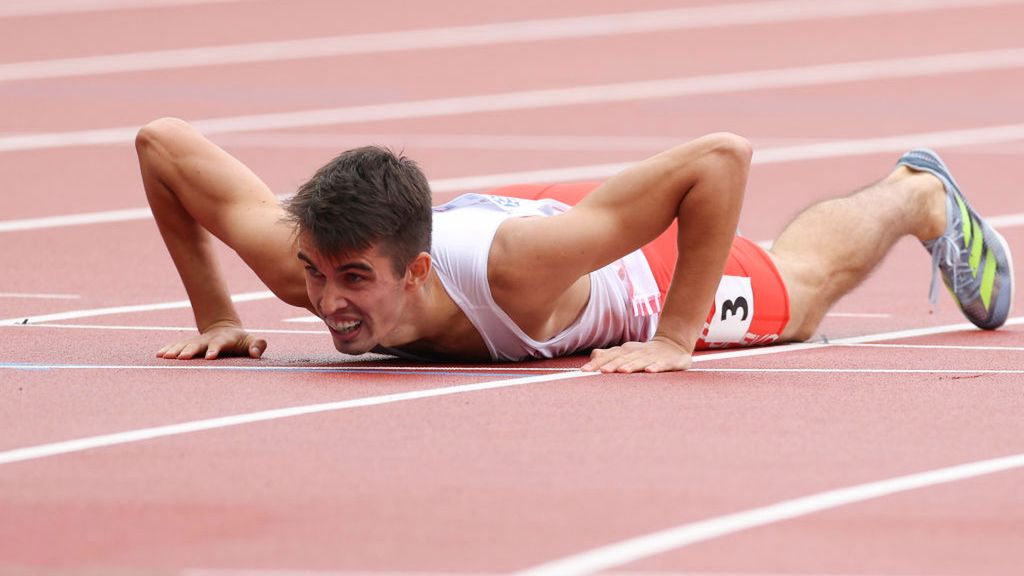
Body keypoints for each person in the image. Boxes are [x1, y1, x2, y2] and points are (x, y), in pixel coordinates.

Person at [134, 117, 1014, 373]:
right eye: (319, 276)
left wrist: (673, 337)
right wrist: (218, 312)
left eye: (354, 280)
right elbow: (163, 143)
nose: (329, 304)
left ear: (417, 268)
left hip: (608, 269)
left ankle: (918, 196)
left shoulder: (509, 273)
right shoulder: (314, 270)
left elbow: (719, 159)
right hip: (531, 228)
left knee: (801, 288)